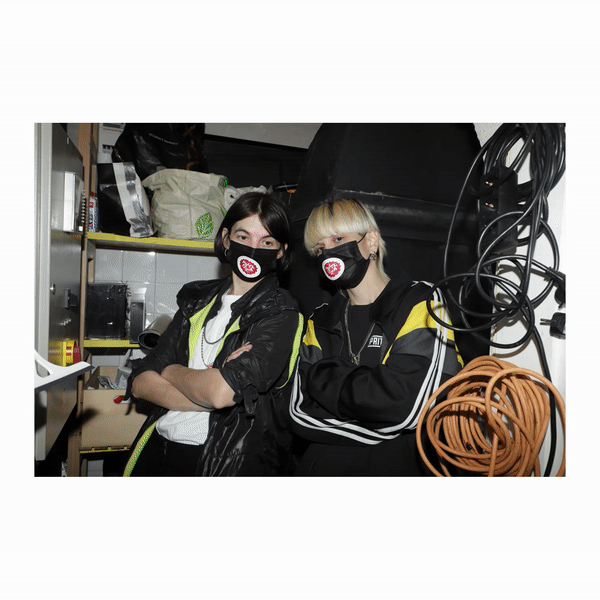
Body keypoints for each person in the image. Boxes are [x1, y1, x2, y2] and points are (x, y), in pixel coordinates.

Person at [123, 192, 303, 476]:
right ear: (226, 239)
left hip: (220, 461)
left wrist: (170, 371)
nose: (253, 249)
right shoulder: (196, 301)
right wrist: (203, 389)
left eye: (267, 242)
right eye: (243, 237)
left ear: (281, 251)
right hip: (158, 448)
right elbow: (141, 382)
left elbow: (220, 393)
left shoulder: (281, 314)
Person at [289, 198, 463, 476]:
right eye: (319, 247)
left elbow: (409, 409)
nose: (328, 253)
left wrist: (326, 377)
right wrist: (375, 402)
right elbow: (300, 414)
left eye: (338, 238)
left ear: (371, 242)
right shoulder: (318, 321)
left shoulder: (422, 301)